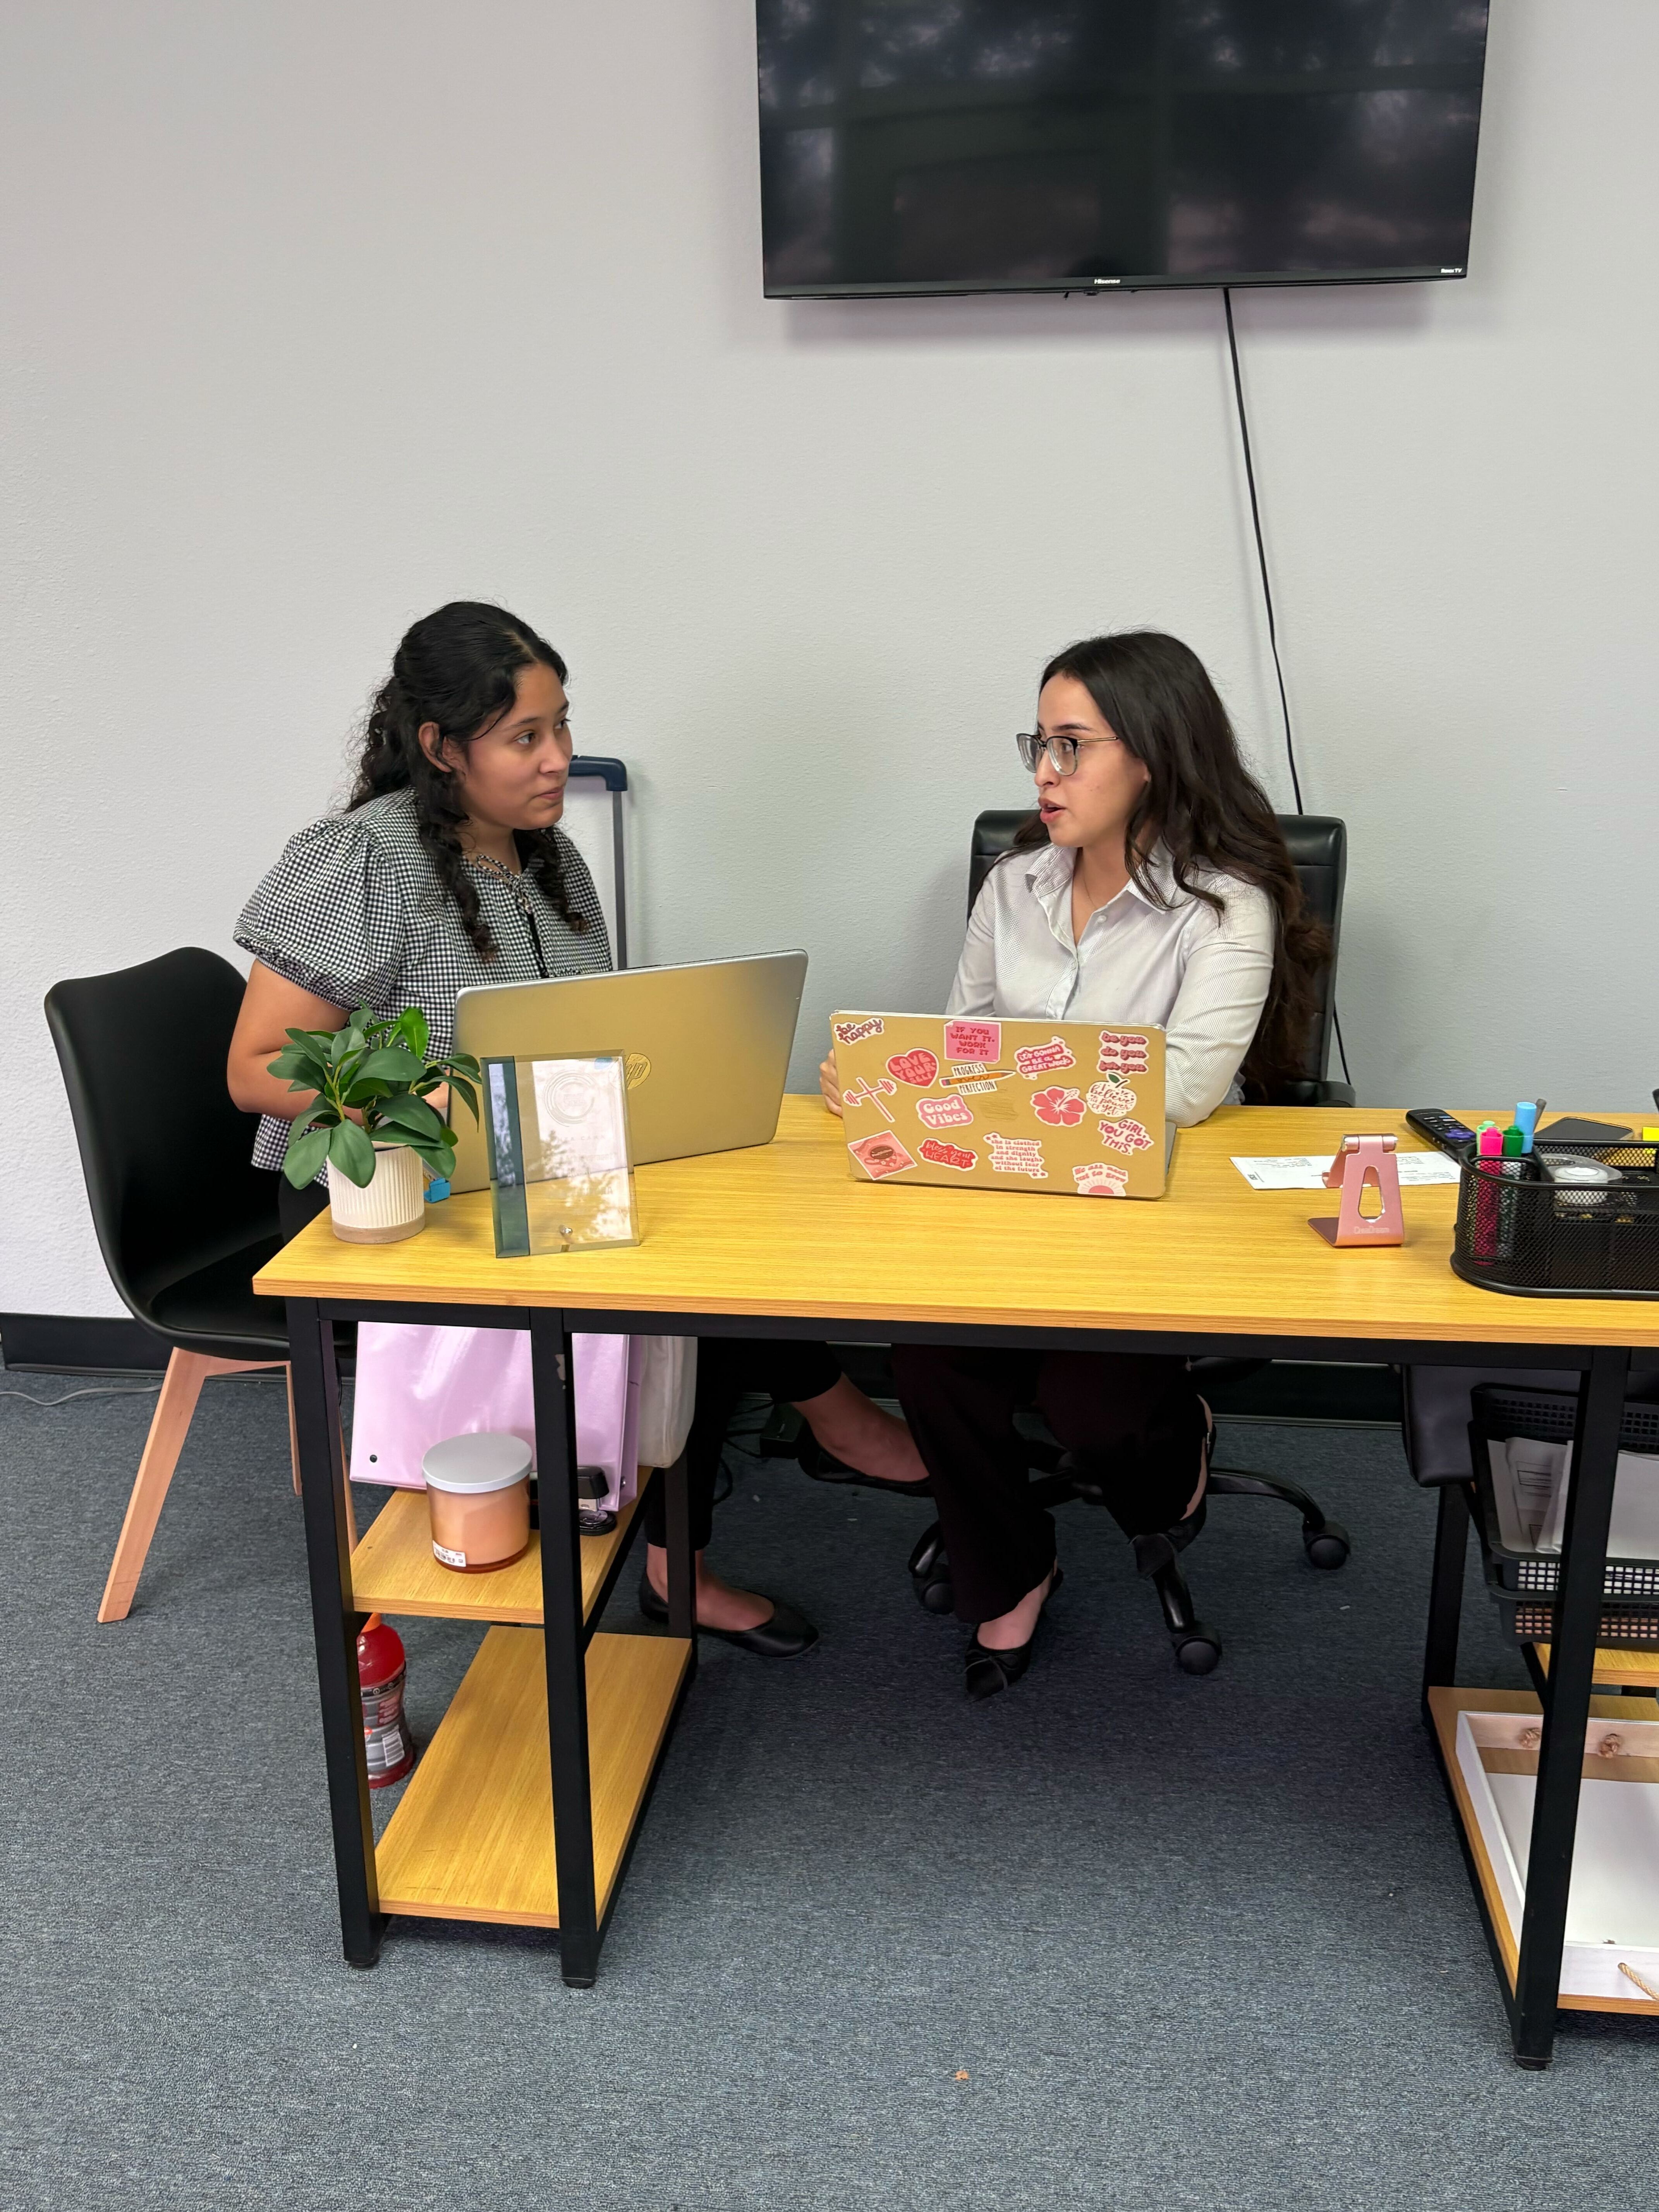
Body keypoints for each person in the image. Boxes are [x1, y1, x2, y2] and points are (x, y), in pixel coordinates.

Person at [228, 600, 924, 1659]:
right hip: (395, 1198)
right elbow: (257, 1070)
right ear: (440, 748)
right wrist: (429, 1107)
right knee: (679, 1279)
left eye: (560, 727)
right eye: (526, 738)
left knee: (727, 1235)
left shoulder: (548, 860)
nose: (558, 759)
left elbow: (577, 1037)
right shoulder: (356, 860)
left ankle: (683, 1544)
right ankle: (813, 1426)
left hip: (531, 1167)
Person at [820, 630, 1329, 1697]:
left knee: (1091, 1398)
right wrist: (891, 1085)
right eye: (1036, 745)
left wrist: (977, 1082)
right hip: (1008, 1202)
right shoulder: (1012, 888)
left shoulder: (1222, 904)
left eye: (1071, 746)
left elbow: (1184, 1091)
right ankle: (1010, 1569)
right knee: (929, 1364)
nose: (1043, 774)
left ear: (1149, 753)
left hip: (1150, 1215)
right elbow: (963, 1040)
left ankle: (1177, 1435)